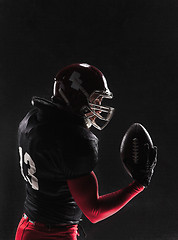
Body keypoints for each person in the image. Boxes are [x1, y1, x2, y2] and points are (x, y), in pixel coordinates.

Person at [15, 63, 157, 240]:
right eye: (95, 99)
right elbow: (94, 212)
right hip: (53, 235)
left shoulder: (32, 120)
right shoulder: (76, 141)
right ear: (76, 97)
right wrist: (139, 185)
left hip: (28, 227)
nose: (98, 106)